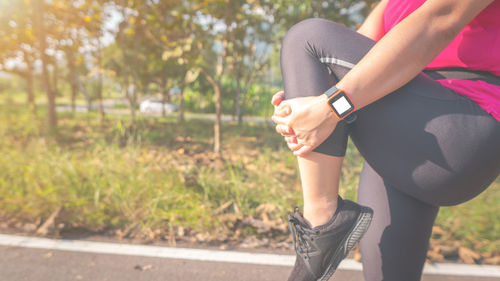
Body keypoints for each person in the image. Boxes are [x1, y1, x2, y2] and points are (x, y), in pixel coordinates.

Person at [271, 0, 500, 280]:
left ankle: (322, 222)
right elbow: (360, 50)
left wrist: (330, 107)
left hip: (463, 122)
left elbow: (438, 20)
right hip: (404, 129)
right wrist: (303, 96)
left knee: (307, 38)